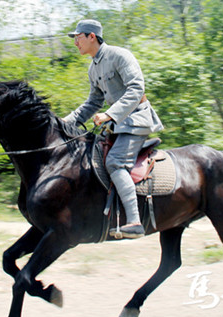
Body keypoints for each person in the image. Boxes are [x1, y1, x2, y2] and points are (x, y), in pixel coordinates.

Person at [64, 19, 163, 239]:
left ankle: (135, 222)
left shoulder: (120, 55)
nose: (75, 43)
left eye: (78, 37)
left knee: (115, 162)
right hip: (118, 124)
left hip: (137, 119)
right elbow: (92, 103)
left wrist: (110, 114)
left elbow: (137, 89)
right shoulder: (93, 68)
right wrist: (64, 123)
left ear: (92, 36)